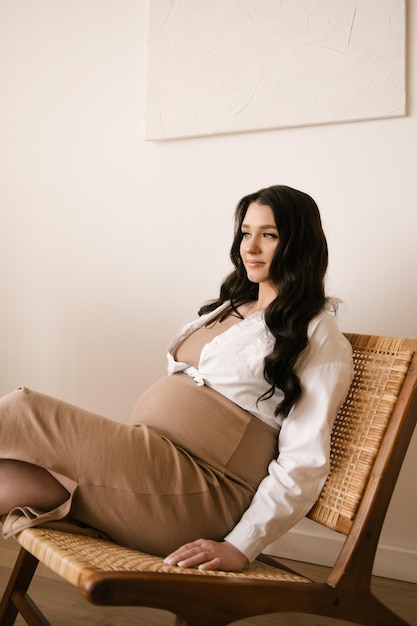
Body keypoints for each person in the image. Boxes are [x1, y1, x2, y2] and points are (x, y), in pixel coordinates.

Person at [0, 185, 353, 572]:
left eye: (268, 235)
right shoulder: (232, 307)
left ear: (300, 243)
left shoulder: (316, 334)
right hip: (152, 472)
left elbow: (304, 461)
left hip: (199, 492)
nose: (250, 247)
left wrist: (240, 545)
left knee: (23, 409)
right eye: (245, 233)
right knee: (11, 480)